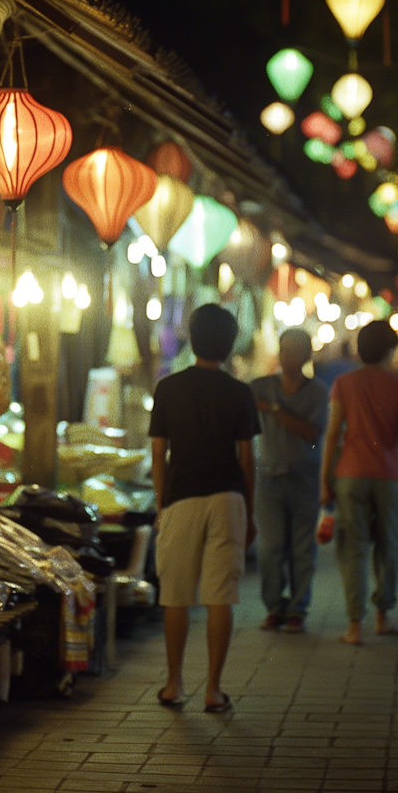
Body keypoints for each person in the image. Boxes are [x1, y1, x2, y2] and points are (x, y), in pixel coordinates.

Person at [149, 304, 259, 712]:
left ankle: (174, 683)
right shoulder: (239, 392)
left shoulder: (168, 388)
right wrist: (250, 513)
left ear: (191, 339)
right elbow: (247, 460)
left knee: (175, 596)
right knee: (220, 596)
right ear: (230, 346)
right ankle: (214, 689)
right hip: (228, 499)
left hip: (181, 498)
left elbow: (159, 453)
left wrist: (162, 504)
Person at [321, 323, 398, 645]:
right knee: (390, 548)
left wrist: (325, 479)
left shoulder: (344, 383)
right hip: (390, 476)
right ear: (389, 350)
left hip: (351, 473)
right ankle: (383, 617)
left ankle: (353, 626)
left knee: (353, 550)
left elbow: (333, 433)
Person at [250, 329, 328, 633]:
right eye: (284, 350)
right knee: (270, 547)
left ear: (307, 355)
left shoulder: (318, 393)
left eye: (295, 351)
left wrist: (274, 409)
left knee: (301, 548)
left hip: (304, 478)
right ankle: (274, 606)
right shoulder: (259, 387)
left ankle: (297, 609)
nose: (288, 357)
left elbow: (311, 433)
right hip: (268, 477)